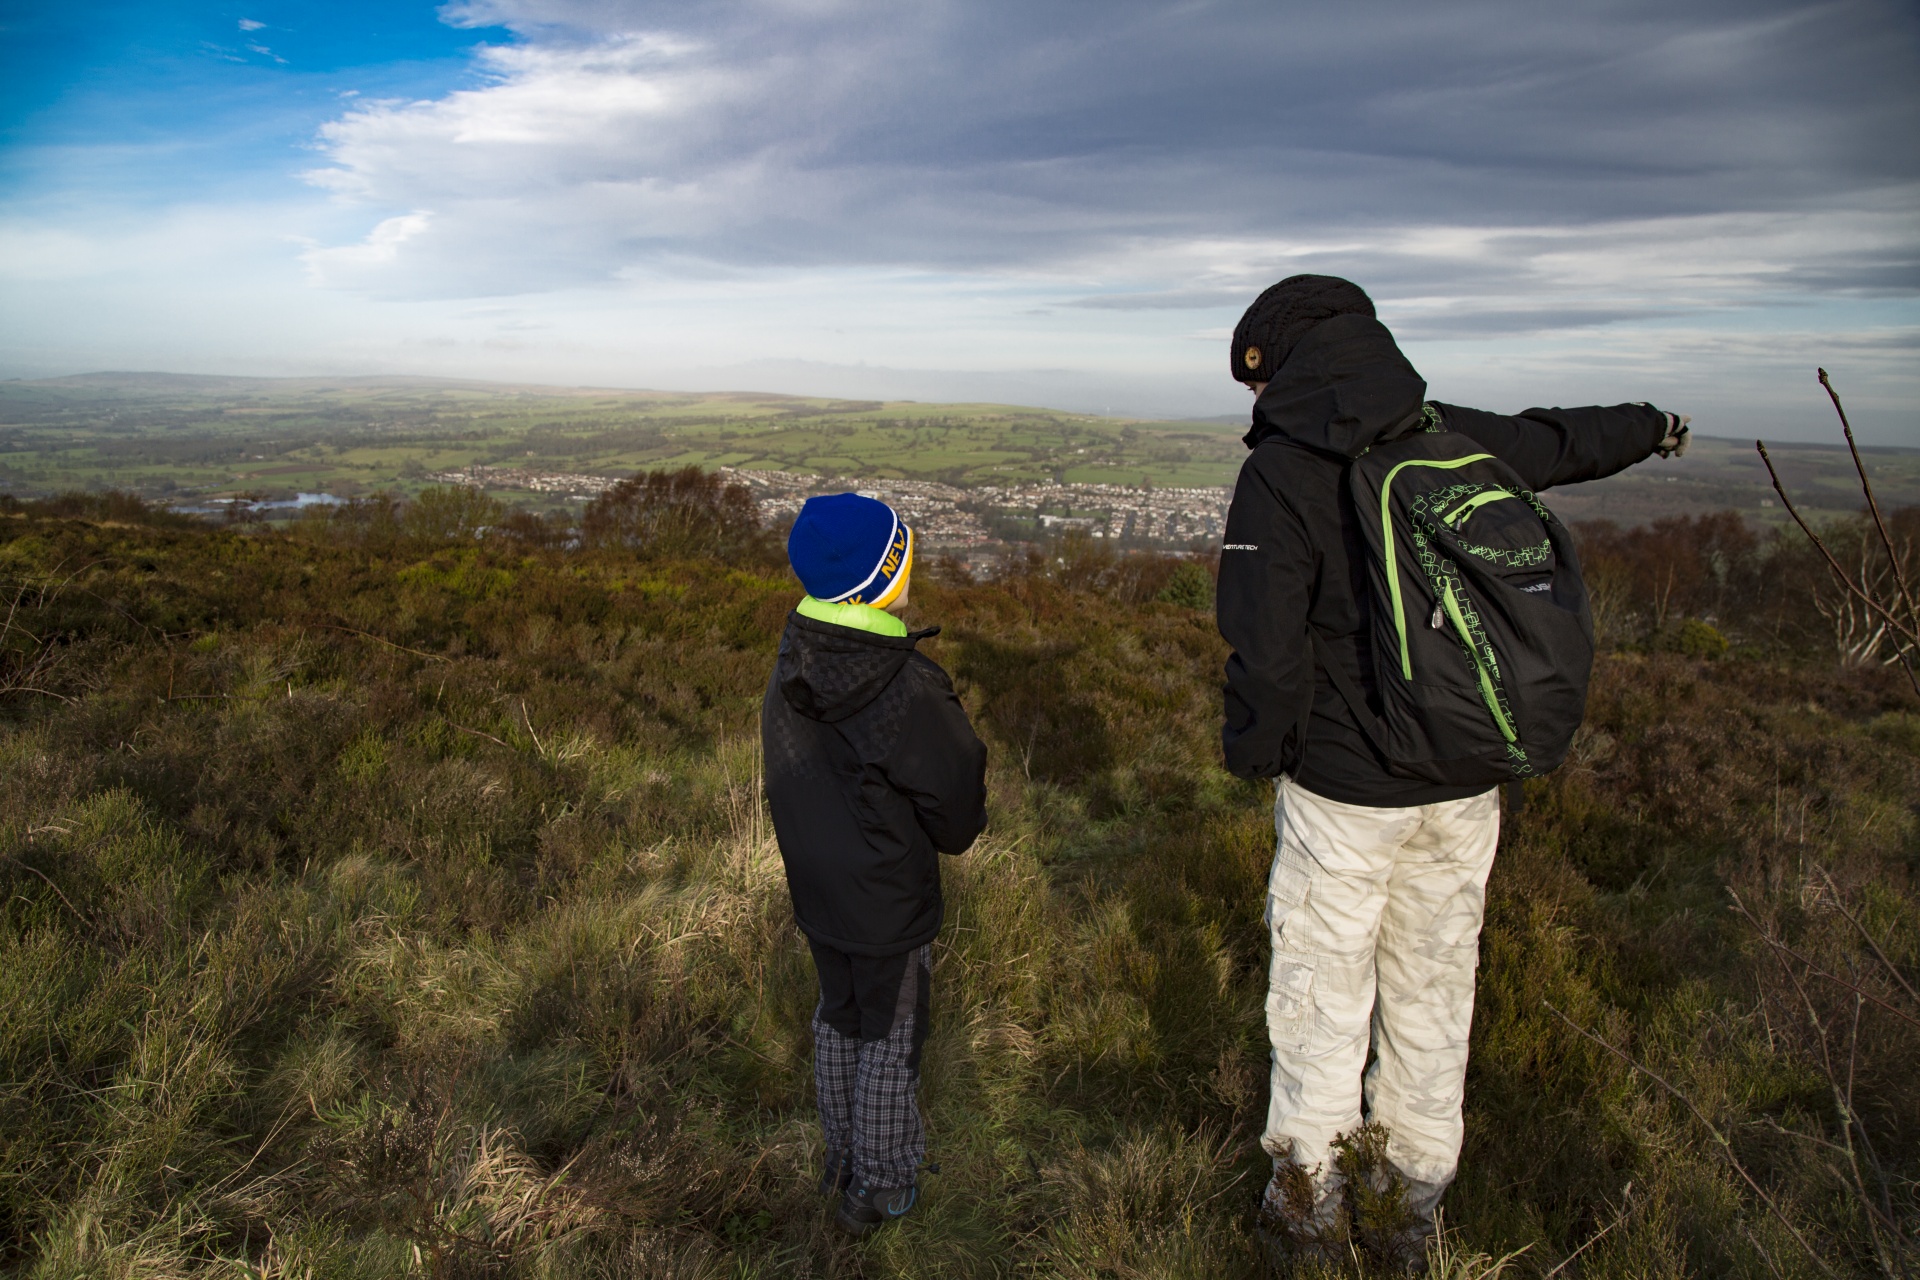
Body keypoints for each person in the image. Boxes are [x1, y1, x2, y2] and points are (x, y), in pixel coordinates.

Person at [1214, 275, 1688, 1262]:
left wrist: (1259, 754)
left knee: (1321, 1005)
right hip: (1466, 786)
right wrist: (1653, 422)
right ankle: (1408, 1214)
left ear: (1282, 368)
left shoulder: (1285, 473)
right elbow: (1559, 440)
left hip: (1344, 794)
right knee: (1435, 997)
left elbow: (1265, 651)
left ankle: (1305, 1211)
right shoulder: (1448, 433)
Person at [761, 492, 989, 1236]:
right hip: (887, 904)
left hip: (818, 891)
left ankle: (840, 1161)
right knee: (891, 1041)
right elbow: (956, 814)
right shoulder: (906, 686)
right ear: (885, 576)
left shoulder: (791, 659)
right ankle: (882, 1185)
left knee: (837, 1019)